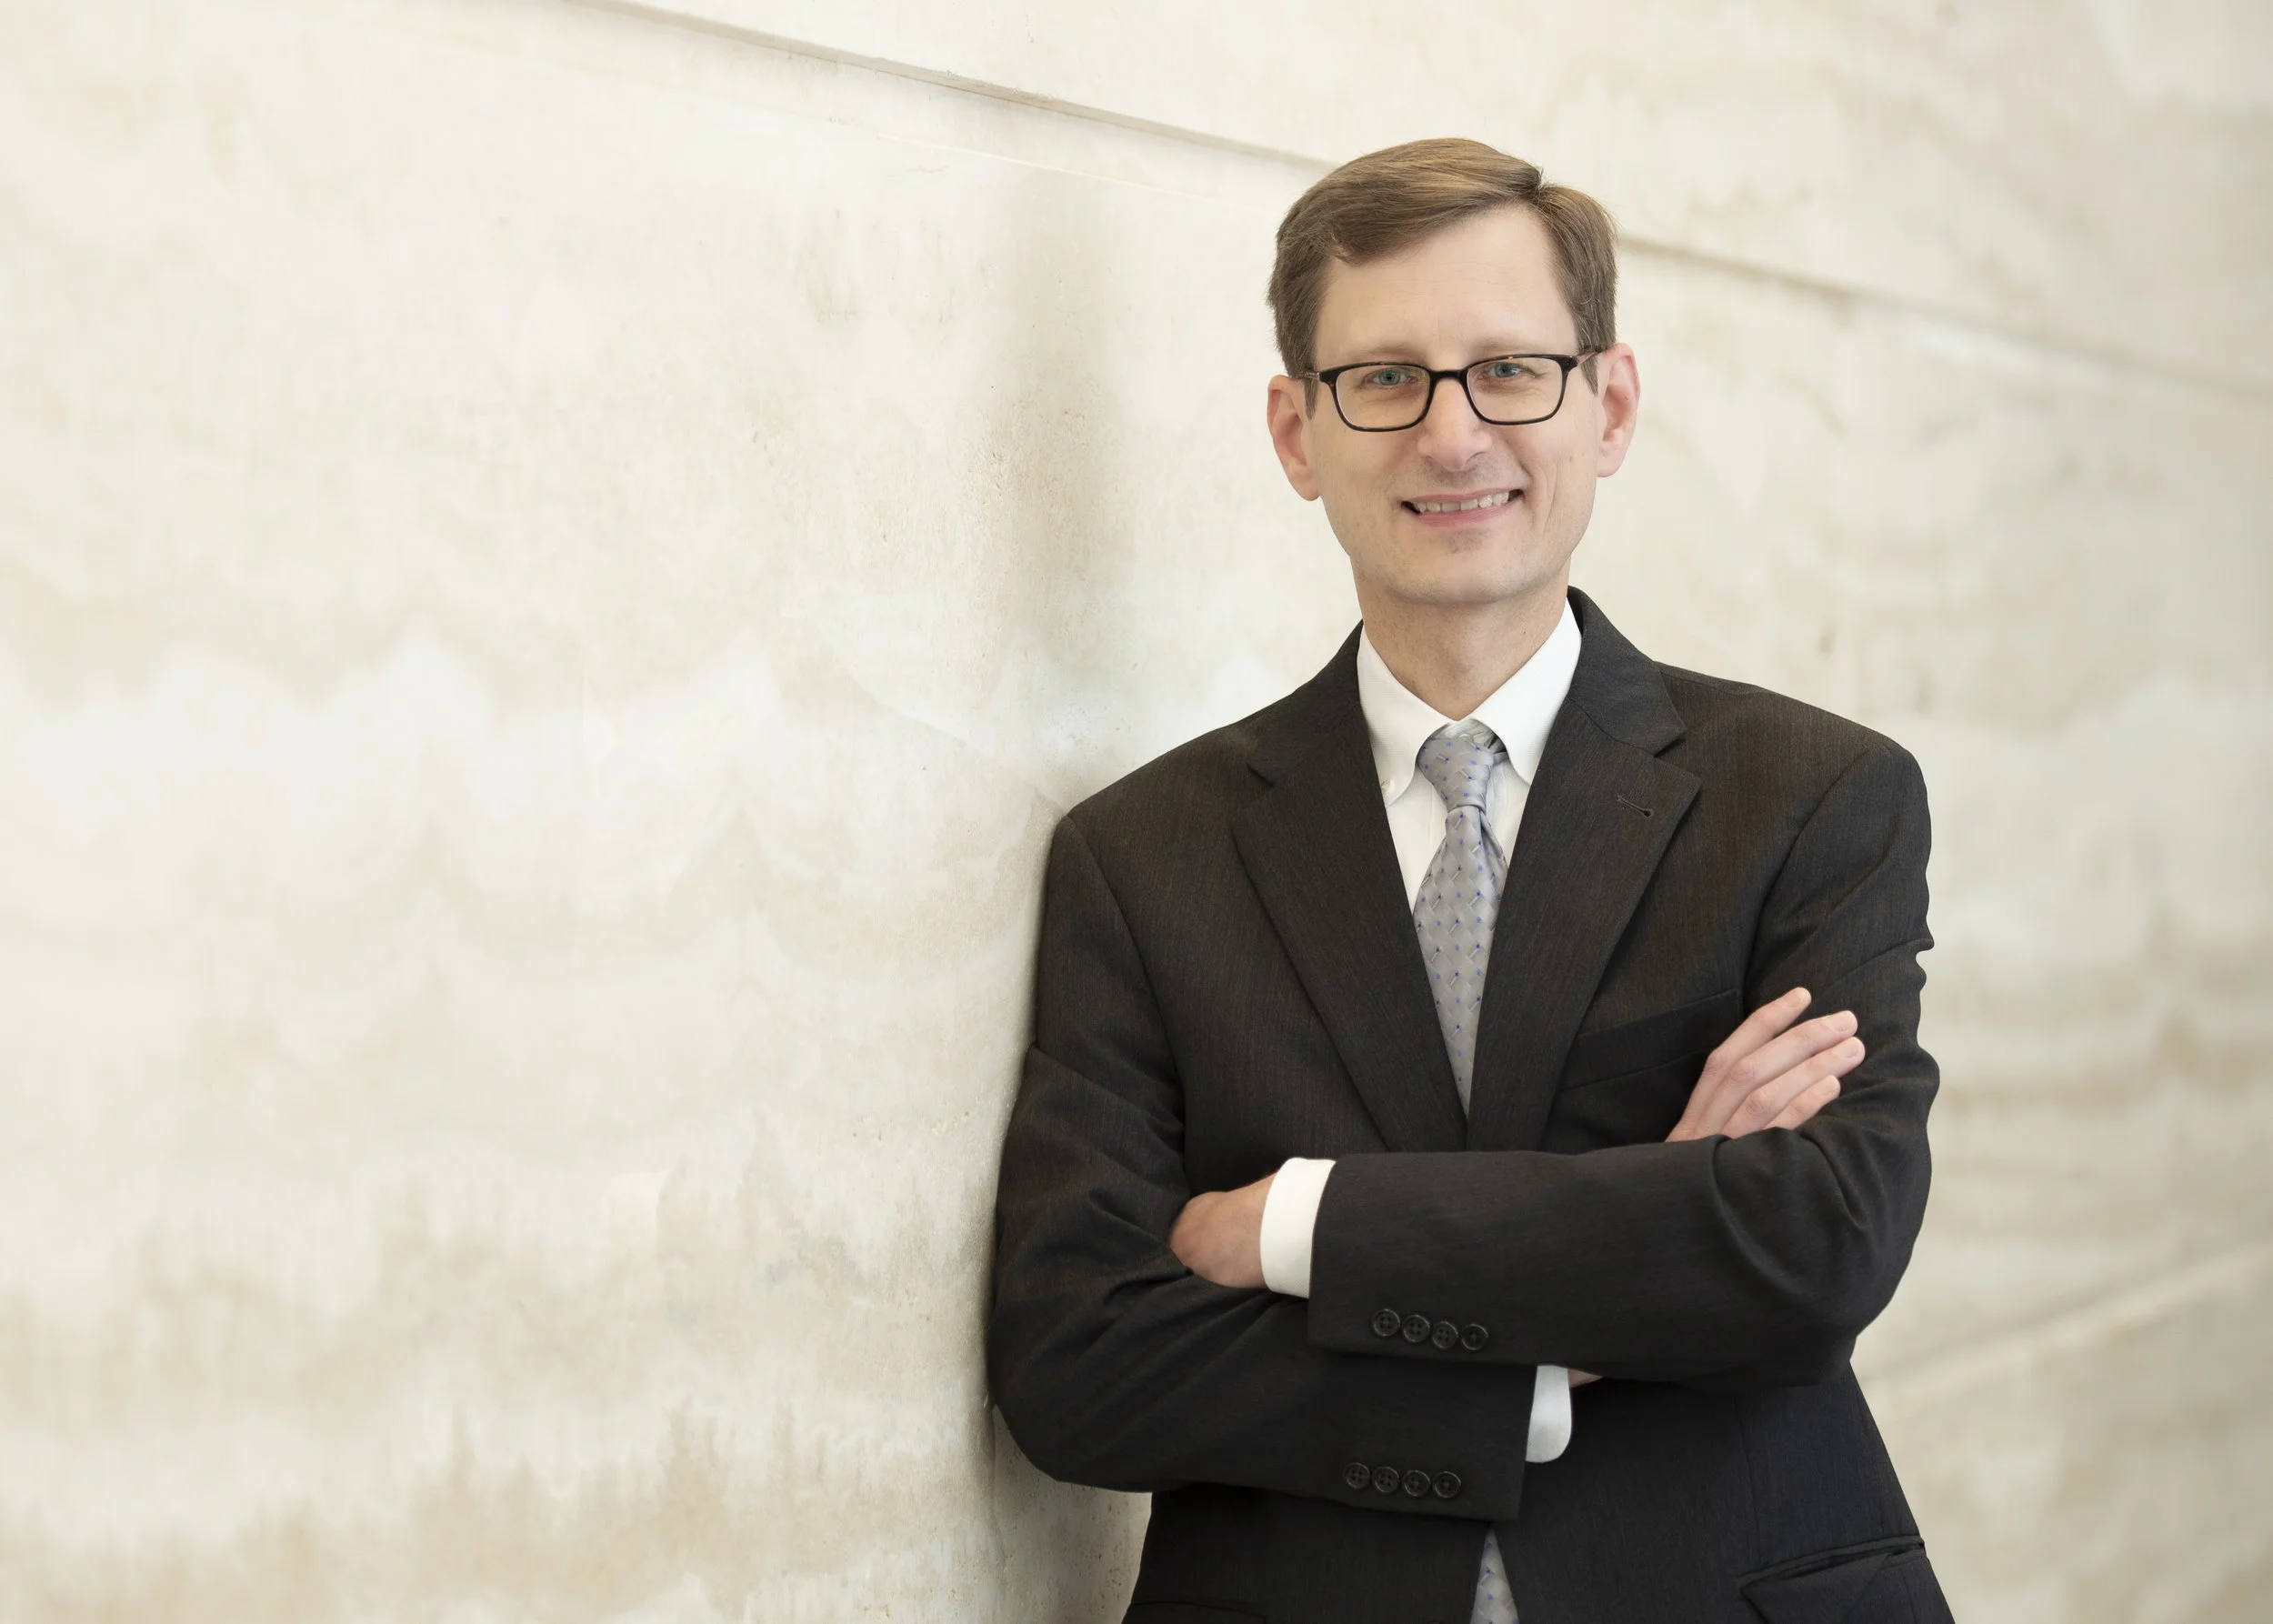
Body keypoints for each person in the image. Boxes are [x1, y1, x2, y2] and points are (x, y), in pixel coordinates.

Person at [986, 137, 1951, 1624]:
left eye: (1510, 369)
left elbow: (1815, 1247)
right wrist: (1608, 1288)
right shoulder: (1143, 857)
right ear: (1298, 431)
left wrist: (1296, 1227)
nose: (1452, 436)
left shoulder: (1813, 798)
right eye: (1385, 378)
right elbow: (1081, 1360)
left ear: (1608, 404)